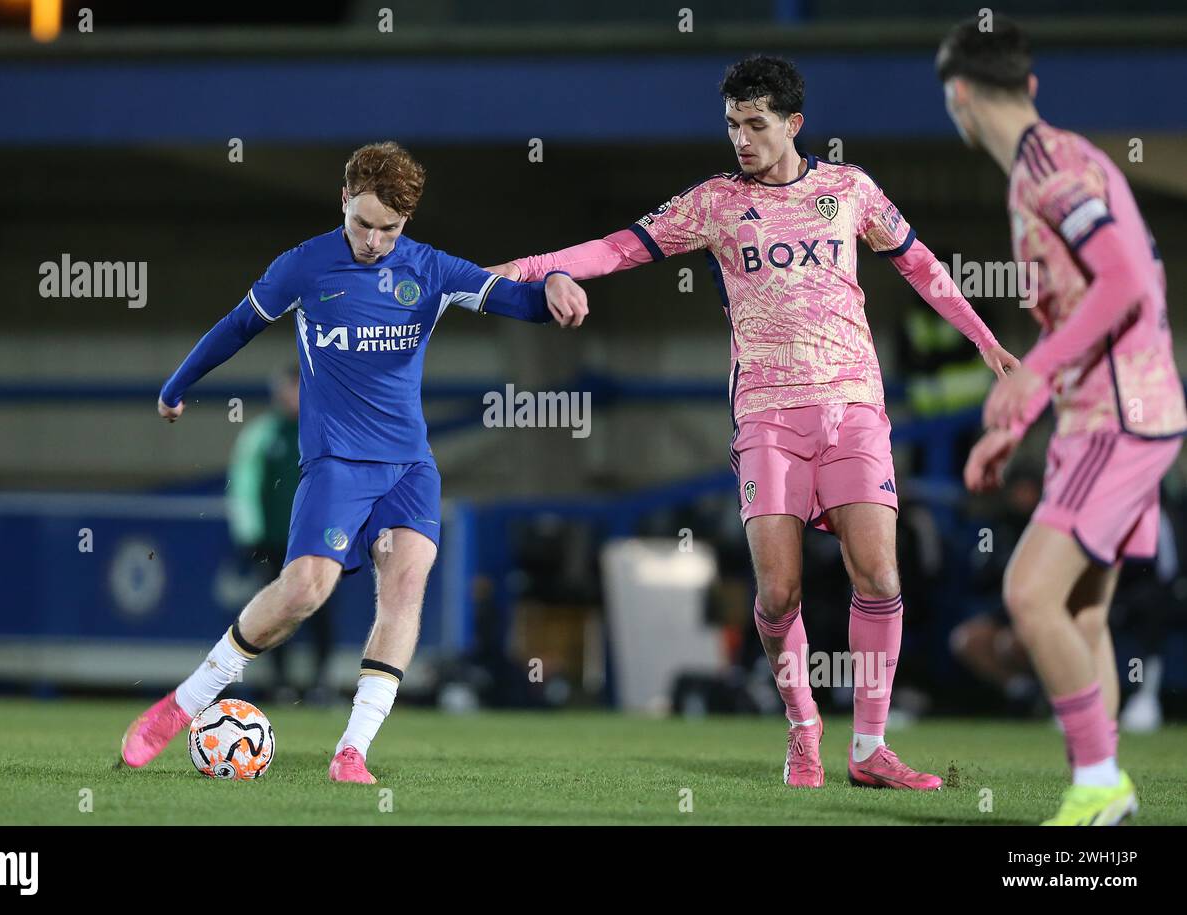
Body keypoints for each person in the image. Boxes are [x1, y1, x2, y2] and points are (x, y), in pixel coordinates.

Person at [488, 55, 1016, 789]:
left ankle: (869, 748)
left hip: (856, 407)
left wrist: (986, 341)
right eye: (732, 123)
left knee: (881, 574)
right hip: (768, 415)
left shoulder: (848, 189)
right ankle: (804, 731)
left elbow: (919, 263)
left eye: (756, 123)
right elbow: (618, 247)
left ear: (794, 124)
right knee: (777, 594)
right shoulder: (712, 204)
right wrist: (538, 266)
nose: (741, 137)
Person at [119, 141, 588, 783]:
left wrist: (556, 281)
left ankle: (352, 752)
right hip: (338, 464)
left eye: (388, 229)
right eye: (362, 223)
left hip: (410, 470)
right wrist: (176, 386)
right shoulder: (303, 267)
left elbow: (525, 303)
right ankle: (184, 704)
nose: (372, 240)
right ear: (344, 202)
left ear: (407, 223)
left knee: (404, 592)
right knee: (303, 593)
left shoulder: (432, 270)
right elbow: (236, 326)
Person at [945, 18, 1186, 824]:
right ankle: (1104, 790)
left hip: (1118, 417)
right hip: (1132, 410)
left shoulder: (1044, 171)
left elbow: (1124, 284)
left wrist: (1036, 375)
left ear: (959, 96)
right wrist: (1017, 421)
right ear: (1032, 86)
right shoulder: (1069, 157)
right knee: (1083, 613)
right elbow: (1086, 305)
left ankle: (1097, 781)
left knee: (1027, 593)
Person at [227, 363, 333, 705]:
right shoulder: (263, 433)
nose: (292, 395)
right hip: (274, 540)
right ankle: (280, 684)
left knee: (320, 610)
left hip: (318, 542)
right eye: (287, 387)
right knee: (276, 612)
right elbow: (244, 484)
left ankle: (320, 683)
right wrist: (250, 533)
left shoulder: (324, 429)